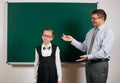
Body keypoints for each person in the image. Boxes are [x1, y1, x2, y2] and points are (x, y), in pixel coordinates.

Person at [62, 9, 114, 83]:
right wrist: (72, 40)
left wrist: (88, 56)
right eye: (91, 18)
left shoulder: (108, 32)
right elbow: (84, 48)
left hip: (100, 65)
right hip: (89, 64)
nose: (91, 20)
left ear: (102, 19)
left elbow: (104, 52)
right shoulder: (90, 31)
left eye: (94, 18)